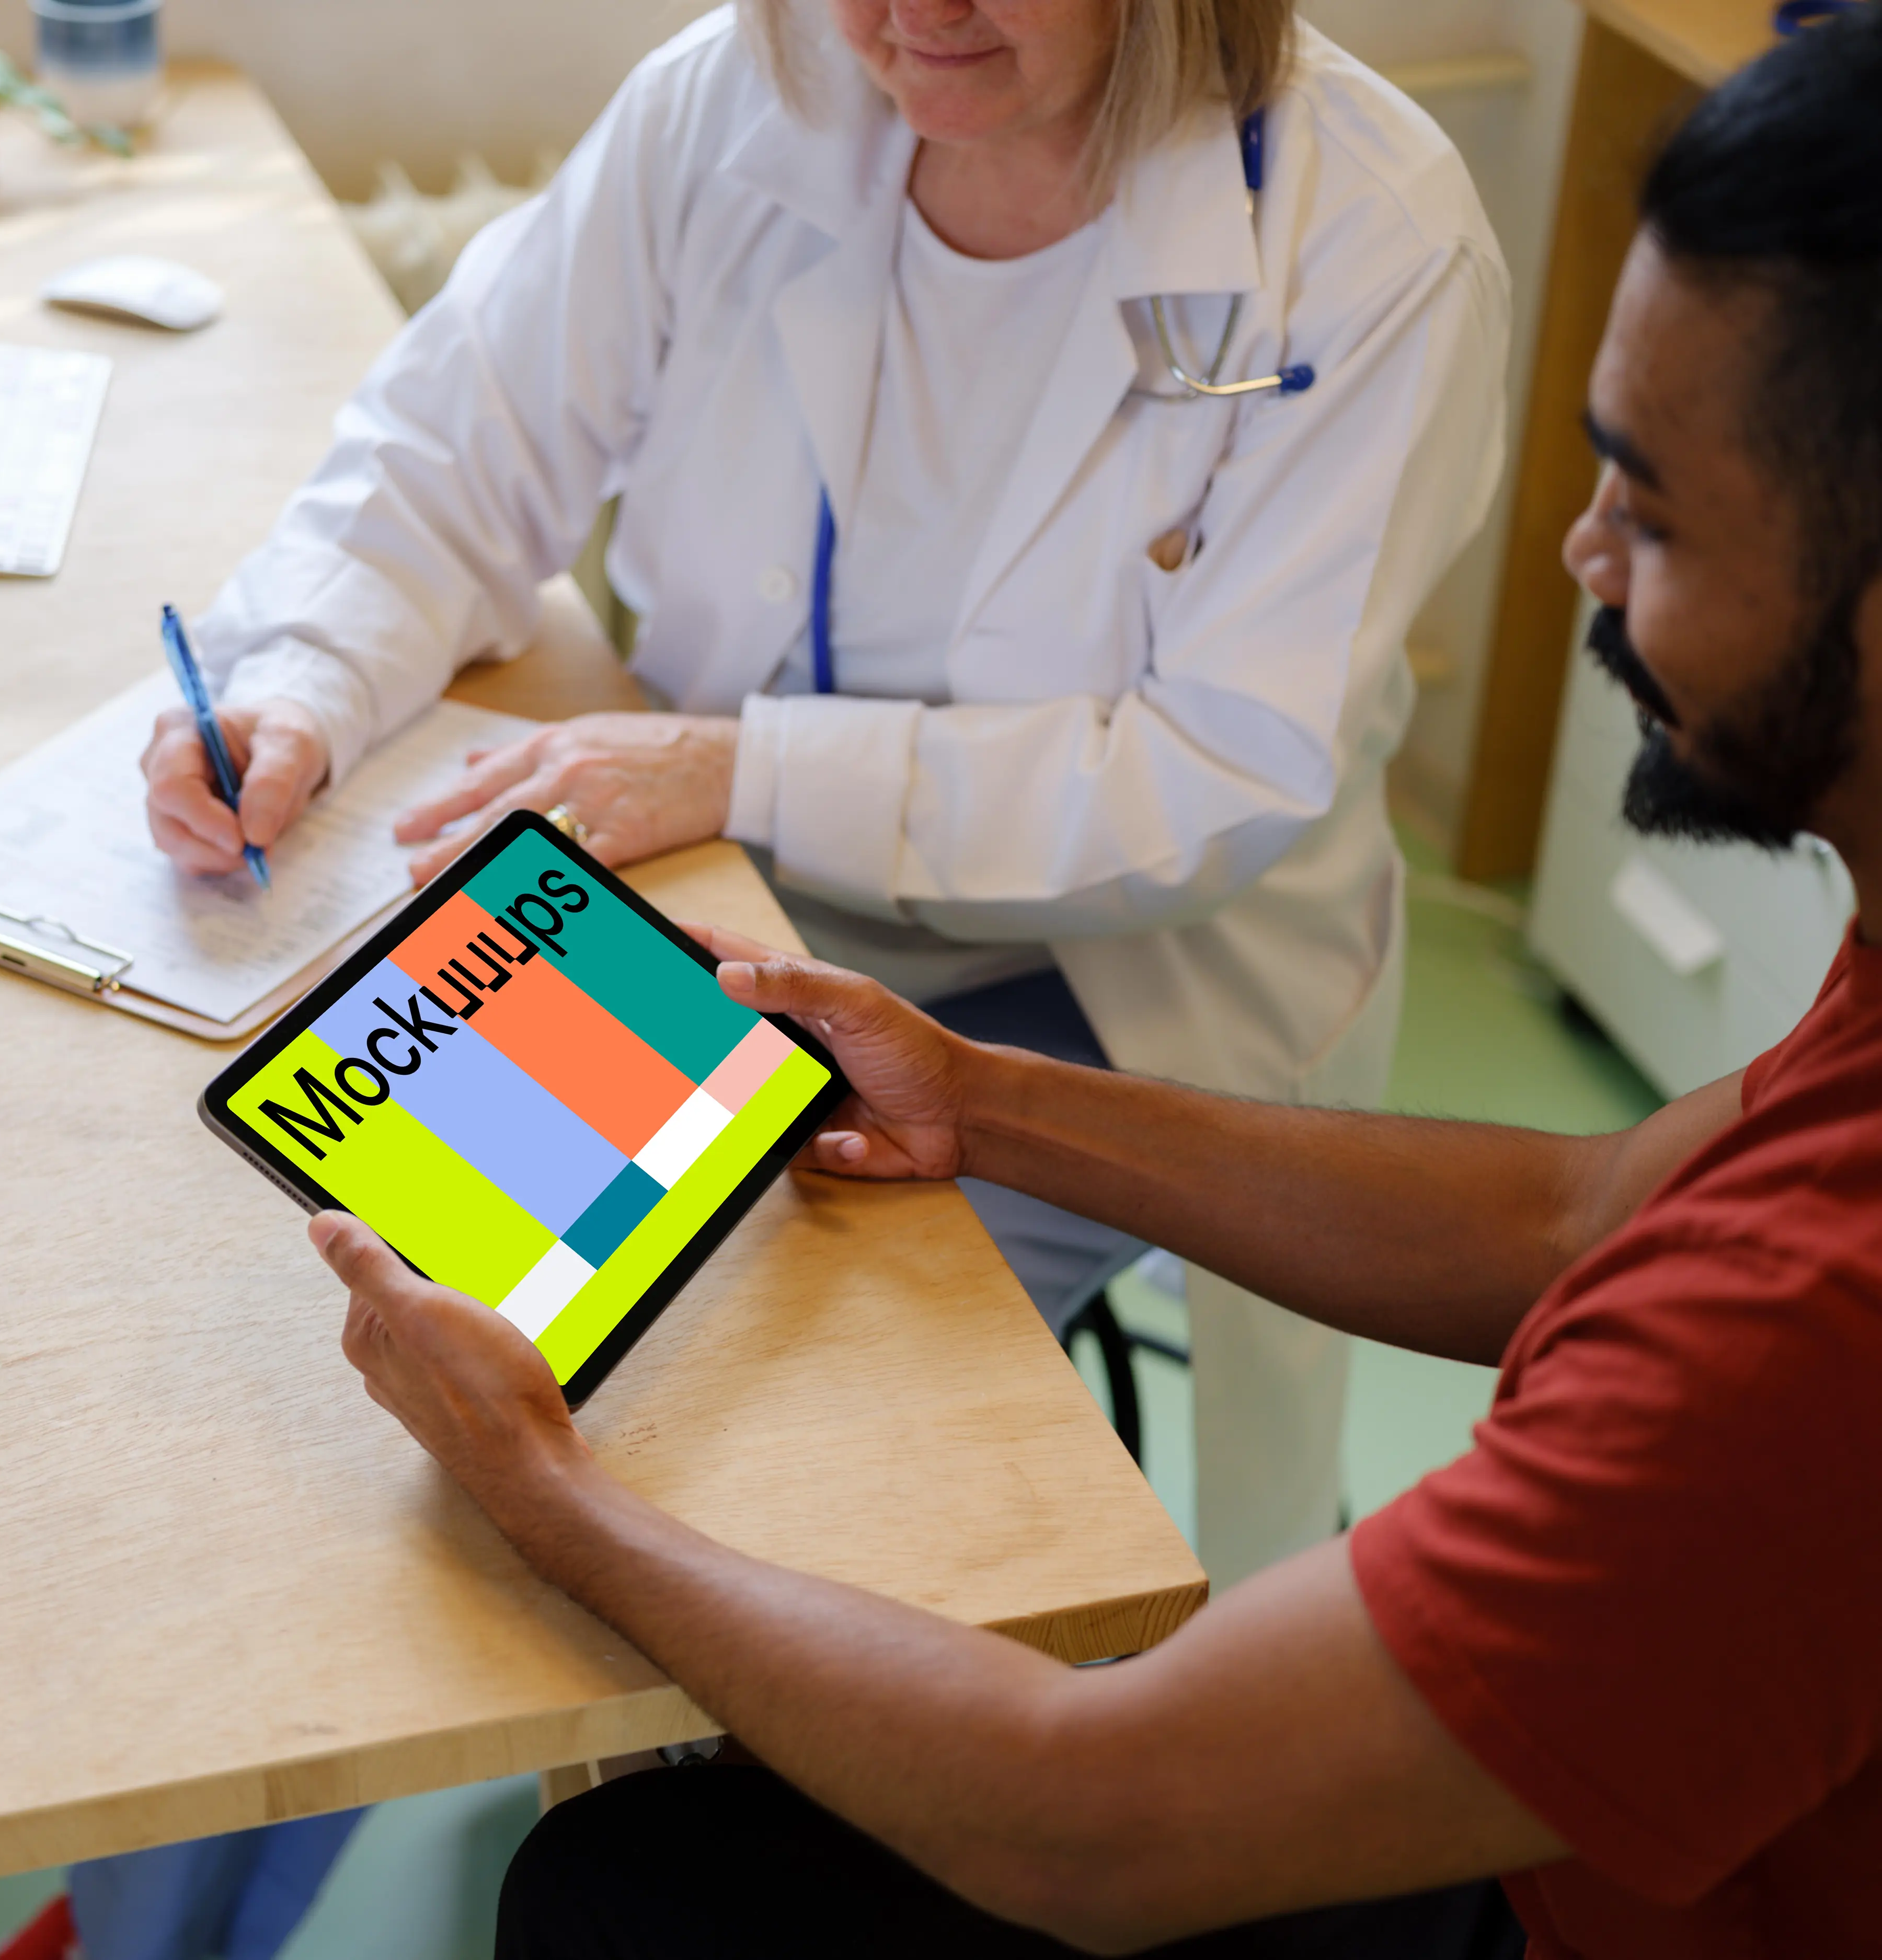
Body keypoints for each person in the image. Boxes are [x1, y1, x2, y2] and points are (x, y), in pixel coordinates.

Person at [284, 13, 1882, 1954]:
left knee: (626, 1816)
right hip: (811, 940)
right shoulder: (1849, 1033)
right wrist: (989, 1095)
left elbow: (1084, 1817)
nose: (1580, 553)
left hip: (1141, 973)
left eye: (1652, 503)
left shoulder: (1812, 1330)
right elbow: (1594, 1202)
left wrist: (545, 1487)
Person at [145, 0, 1510, 1598]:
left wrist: (754, 764)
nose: (909, 15)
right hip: (711, 898)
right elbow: (459, 443)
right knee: (368, 1329)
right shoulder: (737, 91)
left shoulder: (1367, 232)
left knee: (743, 1464)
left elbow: (1212, 775)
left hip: (1094, 997)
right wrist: (304, 681)